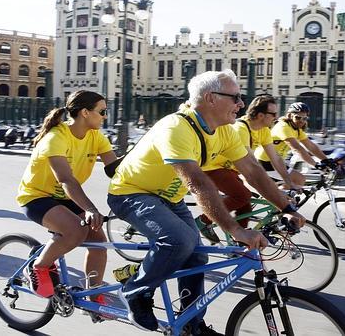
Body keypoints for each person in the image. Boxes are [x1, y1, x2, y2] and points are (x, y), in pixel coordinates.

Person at [107, 70, 305, 334]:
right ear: (211, 98)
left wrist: (287, 207)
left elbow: (253, 171)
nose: (242, 104)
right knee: (179, 241)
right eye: (236, 97)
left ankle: (191, 323)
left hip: (169, 197)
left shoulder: (225, 131)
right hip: (131, 192)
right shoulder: (177, 127)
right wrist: (235, 229)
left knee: (197, 255)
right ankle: (136, 290)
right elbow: (197, 183)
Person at [16, 90, 116, 301]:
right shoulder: (56, 137)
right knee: (74, 231)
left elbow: (116, 169)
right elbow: (66, 179)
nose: (106, 116)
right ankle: (38, 267)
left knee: (98, 240)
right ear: (85, 113)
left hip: (65, 198)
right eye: (102, 111)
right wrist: (90, 208)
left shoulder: (96, 136)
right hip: (36, 196)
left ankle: (94, 294)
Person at [195, 95, 301, 243]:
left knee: (246, 208)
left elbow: (275, 158)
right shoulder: (240, 129)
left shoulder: (264, 130)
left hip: (231, 170)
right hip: (213, 167)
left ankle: (239, 243)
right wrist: (274, 192)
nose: (277, 118)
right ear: (260, 115)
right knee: (242, 195)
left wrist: (288, 182)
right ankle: (203, 221)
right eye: (273, 114)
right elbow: (251, 165)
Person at [254, 102, 333, 186]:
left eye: (304, 118)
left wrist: (326, 160)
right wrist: (316, 165)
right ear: (289, 116)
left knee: (294, 184)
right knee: (298, 179)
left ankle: (281, 198)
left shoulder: (297, 129)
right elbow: (297, 148)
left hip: (276, 162)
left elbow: (311, 146)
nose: (301, 121)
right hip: (264, 162)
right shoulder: (283, 127)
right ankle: (279, 198)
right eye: (298, 117)